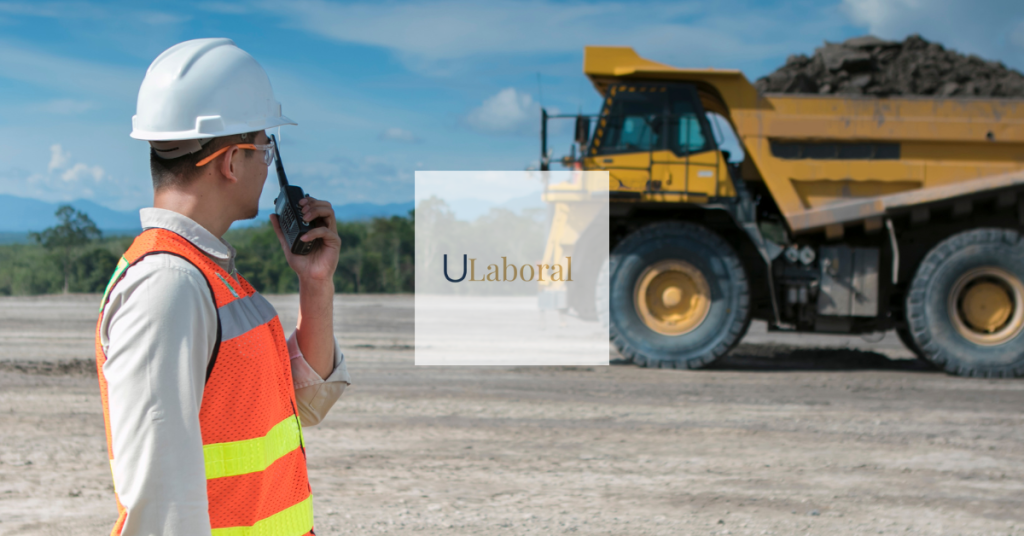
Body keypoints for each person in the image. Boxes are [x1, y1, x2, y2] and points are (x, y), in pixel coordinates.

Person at [94, 38, 350, 535]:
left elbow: (303, 403)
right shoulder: (167, 287)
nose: (268, 166)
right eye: (265, 149)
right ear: (232, 161)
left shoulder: (213, 277)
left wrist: (315, 284)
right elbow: (161, 506)